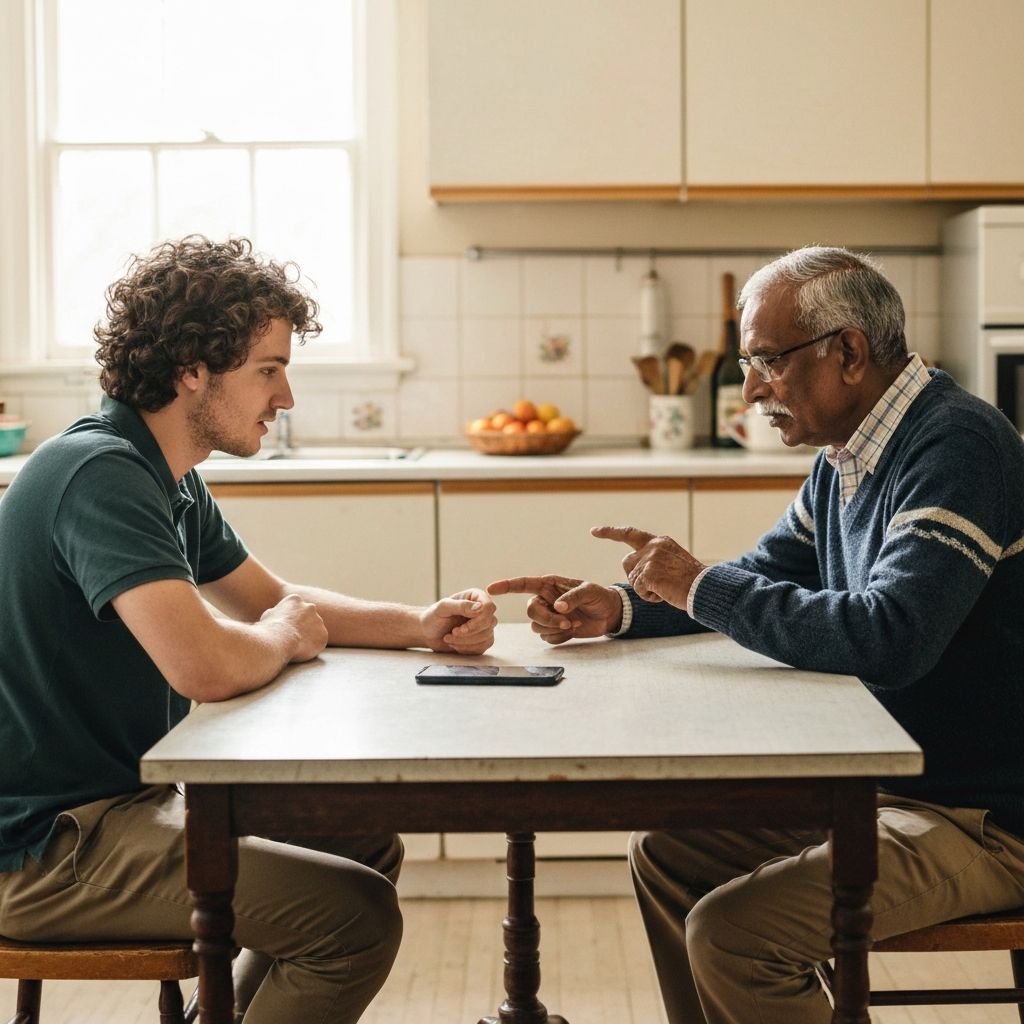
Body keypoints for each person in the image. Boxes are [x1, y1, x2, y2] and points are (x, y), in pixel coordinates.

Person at [487, 245, 1024, 1024]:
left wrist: (696, 583)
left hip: (986, 818)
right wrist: (624, 606)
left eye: (768, 360)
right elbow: (765, 575)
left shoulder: (957, 446)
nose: (751, 389)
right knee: (667, 854)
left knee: (735, 936)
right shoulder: (848, 455)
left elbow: (893, 637)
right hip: (893, 788)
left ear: (848, 352)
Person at [0, 235, 497, 1024]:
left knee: (362, 841)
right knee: (353, 921)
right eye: (269, 370)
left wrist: (420, 624)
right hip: (48, 850)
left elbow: (273, 599)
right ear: (192, 368)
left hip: (118, 809)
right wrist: (286, 637)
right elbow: (206, 665)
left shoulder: (163, 476)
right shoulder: (101, 475)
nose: (285, 396)